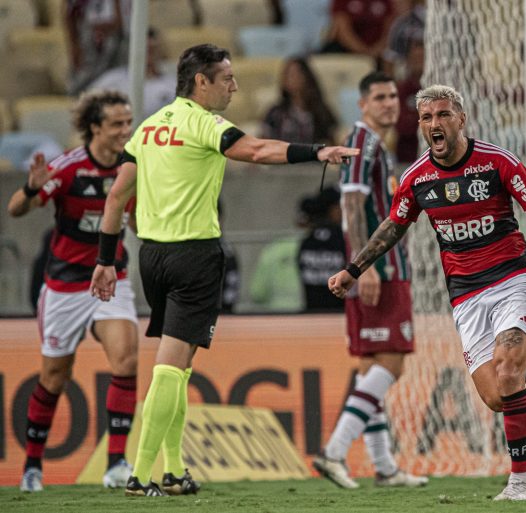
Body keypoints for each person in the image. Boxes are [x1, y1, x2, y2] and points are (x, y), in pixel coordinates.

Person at [89, 43, 358, 497]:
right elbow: (256, 151)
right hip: (193, 256)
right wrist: (318, 152)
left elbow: (116, 198)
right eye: (227, 78)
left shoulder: (148, 128)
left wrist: (104, 259)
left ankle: (173, 470)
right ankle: (140, 473)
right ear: (202, 82)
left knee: (181, 365)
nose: (234, 86)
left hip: (151, 256)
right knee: (169, 369)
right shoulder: (205, 124)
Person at [327, 84, 526, 501]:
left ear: (461, 118)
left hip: (512, 277)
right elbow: (393, 226)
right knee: (495, 396)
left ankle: (520, 482)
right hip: (466, 294)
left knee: (509, 373)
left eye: (442, 115)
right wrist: (354, 268)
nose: (434, 124)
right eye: (426, 118)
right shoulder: (418, 177)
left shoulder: (496, 162)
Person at [7, 90, 138, 492]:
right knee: (54, 378)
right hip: (65, 285)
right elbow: (15, 209)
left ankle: (116, 463)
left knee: (127, 360)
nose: (125, 131)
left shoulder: (134, 166)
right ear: (94, 127)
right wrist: (31, 190)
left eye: (128, 122)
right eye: (116, 124)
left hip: (111, 279)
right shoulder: (68, 168)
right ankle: (32, 465)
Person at [313, 71, 427, 488]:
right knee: (392, 361)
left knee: (370, 367)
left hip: (380, 265)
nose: (389, 103)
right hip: (384, 266)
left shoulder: (373, 143)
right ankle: (334, 451)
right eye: (379, 97)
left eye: (394, 96)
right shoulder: (362, 141)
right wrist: (368, 266)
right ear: (362, 104)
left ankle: (384, 467)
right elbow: (351, 206)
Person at [89, 27, 177, 120]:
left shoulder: (173, 85)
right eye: (144, 49)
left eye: (151, 50)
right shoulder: (112, 80)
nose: (147, 55)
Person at [261, 57, 338, 145]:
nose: (290, 78)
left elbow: (331, 143)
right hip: (281, 157)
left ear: (306, 77)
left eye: (295, 74)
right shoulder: (275, 113)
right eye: (287, 74)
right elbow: (264, 143)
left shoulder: (320, 111)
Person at [65, 0, 131, 94]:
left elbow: (119, 21)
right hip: (92, 39)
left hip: (121, 38)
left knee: (118, 78)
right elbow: (71, 14)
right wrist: (74, 46)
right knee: (84, 84)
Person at [298, 188, 346, 312]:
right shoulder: (341, 239)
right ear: (331, 209)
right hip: (338, 312)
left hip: (312, 311)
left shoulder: (307, 241)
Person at [321, 0, 397, 67]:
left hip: (378, 54)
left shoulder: (386, 1)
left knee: (390, 56)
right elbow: (342, 30)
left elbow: (390, 29)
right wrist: (363, 52)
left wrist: (376, 50)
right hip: (348, 51)